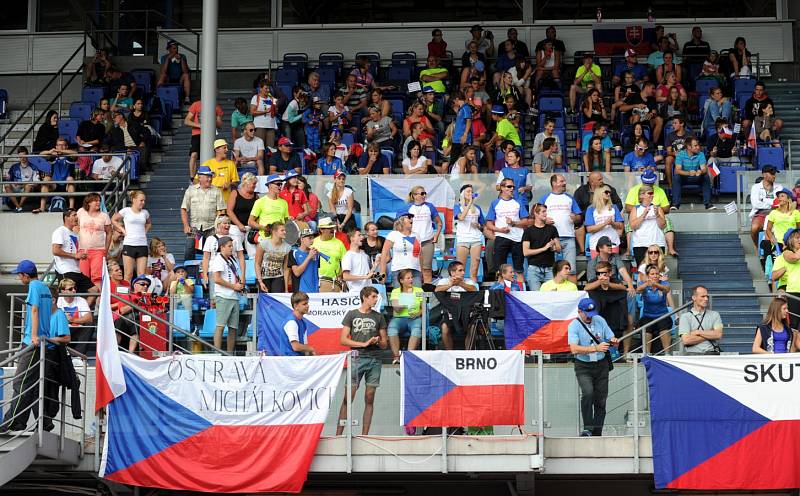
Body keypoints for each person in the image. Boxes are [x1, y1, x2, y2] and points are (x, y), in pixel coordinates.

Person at [2, 260, 52, 433]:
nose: (18, 277)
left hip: (32, 343)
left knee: (20, 382)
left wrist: (33, 336)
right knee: (32, 385)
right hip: (42, 342)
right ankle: (23, 423)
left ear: (25, 275)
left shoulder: (34, 286)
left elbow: (35, 310)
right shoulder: (45, 288)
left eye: (19, 274)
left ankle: (8, 422)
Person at [336, 286, 388, 436]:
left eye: (376, 296)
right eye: (373, 296)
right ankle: (338, 434)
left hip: (374, 359)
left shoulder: (379, 317)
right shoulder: (352, 314)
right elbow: (343, 339)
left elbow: (384, 343)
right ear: (364, 297)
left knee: (370, 396)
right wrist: (364, 344)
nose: (375, 299)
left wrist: (378, 340)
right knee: (348, 397)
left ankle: (365, 435)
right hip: (357, 358)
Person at [568, 297, 618, 437]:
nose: (590, 317)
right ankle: (587, 428)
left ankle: (597, 432)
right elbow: (573, 349)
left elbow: (610, 337)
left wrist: (613, 341)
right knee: (588, 393)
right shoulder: (574, 325)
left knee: (601, 400)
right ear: (579, 311)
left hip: (601, 364)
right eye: (587, 314)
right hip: (583, 365)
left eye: (592, 314)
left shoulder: (600, 320)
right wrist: (595, 348)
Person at [487, 177, 531, 285]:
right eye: (509, 186)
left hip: (517, 238)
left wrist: (514, 223)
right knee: (500, 270)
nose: (512, 189)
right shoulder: (495, 203)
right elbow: (488, 224)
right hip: (501, 237)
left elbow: (526, 221)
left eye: (513, 187)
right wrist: (500, 230)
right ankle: (500, 294)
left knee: (519, 269)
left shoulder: (518, 202)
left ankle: (521, 294)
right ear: (502, 188)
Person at [539, 174, 581, 282]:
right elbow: (536, 216)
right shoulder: (545, 198)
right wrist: (544, 219)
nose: (564, 183)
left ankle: (573, 294)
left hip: (569, 237)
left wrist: (576, 217)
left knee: (571, 270)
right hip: (551, 238)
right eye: (561, 181)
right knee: (551, 270)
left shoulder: (570, 198)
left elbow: (579, 217)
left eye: (564, 181)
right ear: (554, 183)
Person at [396, 186, 442, 285]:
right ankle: (412, 292)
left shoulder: (430, 206)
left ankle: (427, 293)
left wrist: (436, 235)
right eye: (420, 193)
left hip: (427, 242)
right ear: (414, 195)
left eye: (424, 193)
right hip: (412, 242)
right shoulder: (407, 207)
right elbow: (398, 223)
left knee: (427, 268)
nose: (423, 195)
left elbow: (439, 223)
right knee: (411, 269)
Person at [181, 165, 226, 262]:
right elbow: (184, 209)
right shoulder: (190, 191)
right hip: (194, 227)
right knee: (189, 249)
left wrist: (219, 225)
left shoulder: (216, 191)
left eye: (210, 176)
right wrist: (185, 225)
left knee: (214, 249)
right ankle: (188, 272)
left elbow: (222, 210)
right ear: (200, 177)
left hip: (212, 228)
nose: (210, 179)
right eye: (207, 176)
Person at [51, 209, 98, 301]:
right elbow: (55, 250)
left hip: (76, 270)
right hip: (65, 270)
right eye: (74, 215)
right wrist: (74, 255)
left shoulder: (75, 234)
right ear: (66, 217)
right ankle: (64, 314)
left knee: (95, 290)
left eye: (77, 215)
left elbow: (74, 252)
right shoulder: (60, 231)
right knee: (67, 298)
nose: (77, 217)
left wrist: (81, 256)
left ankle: (82, 311)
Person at [208, 237, 243, 353]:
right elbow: (216, 279)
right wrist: (234, 286)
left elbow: (234, 276)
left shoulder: (232, 259)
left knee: (233, 328)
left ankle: (229, 354)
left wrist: (239, 285)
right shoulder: (218, 260)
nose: (231, 248)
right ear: (221, 247)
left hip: (234, 296)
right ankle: (218, 353)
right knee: (220, 326)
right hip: (223, 296)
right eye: (229, 246)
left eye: (232, 246)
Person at [436, 261, 479, 351]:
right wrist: (449, 285)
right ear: (452, 273)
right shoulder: (444, 281)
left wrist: (460, 283)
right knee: (444, 328)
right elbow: (437, 290)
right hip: (450, 313)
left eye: (463, 270)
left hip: (467, 313)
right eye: (460, 270)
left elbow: (475, 290)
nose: (463, 272)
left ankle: (468, 354)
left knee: (473, 327)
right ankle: (450, 354)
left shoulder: (468, 281)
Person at [111, 190, 151, 282]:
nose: (143, 203)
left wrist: (144, 231)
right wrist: (122, 230)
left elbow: (149, 224)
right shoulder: (126, 211)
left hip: (142, 245)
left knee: (141, 275)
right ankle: (125, 296)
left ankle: (140, 295)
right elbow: (113, 219)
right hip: (129, 244)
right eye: (141, 200)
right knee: (128, 274)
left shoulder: (145, 212)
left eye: (144, 201)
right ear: (134, 200)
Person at [388, 269, 425, 363]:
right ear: (401, 280)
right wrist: (407, 298)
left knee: (417, 329)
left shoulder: (419, 290)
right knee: (392, 328)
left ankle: (408, 358)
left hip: (415, 318)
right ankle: (396, 357)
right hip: (399, 318)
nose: (411, 280)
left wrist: (417, 313)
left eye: (412, 277)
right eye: (408, 278)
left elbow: (424, 308)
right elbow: (397, 309)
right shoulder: (396, 291)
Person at [638, 264, 675, 354]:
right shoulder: (643, 284)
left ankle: (667, 354)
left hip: (662, 315)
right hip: (648, 315)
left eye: (657, 274)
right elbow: (638, 290)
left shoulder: (664, 283)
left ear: (659, 275)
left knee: (664, 326)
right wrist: (647, 283)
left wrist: (655, 284)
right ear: (648, 275)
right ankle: (647, 354)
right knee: (647, 327)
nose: (655, 276)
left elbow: (666, 289)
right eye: (652, 274)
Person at [522, 203, 561, 290]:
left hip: (550, 268)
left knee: (551, 297)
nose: (545, 214)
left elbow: (559, 248)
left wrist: (553, 248)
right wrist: (544, 248)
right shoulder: (528, 231)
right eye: (543, 212)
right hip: (534, 269)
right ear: (536, 213)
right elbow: (526, 252)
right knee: (536, 297)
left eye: (546, 211)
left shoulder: (552, 229)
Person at [76, 193, 112, 286]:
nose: (98, 202)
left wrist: (106, 249)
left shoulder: (104, 216)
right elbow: (75, 226)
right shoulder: (81, 212)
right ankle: (86, 300)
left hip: (98, 251)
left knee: (97, 277)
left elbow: (109, 232)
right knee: (84, 277)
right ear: (88, 202)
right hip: (83, 250)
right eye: (95, 200)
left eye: (99, 200)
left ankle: (97, 299)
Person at [379, 214, 422, 288]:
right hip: (399, 271)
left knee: (418, 297)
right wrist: (382, 272)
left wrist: (422, 271)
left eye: (411, 217)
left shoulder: (416, 235)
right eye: (408, 217)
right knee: (401, 298)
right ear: (401, 221)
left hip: (415, 271)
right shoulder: (393, 234)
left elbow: (420, 255)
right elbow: (384, 254)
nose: (411, 219)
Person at [679, 285, 724, 355]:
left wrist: (698, 332)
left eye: (707, 296)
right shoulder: (685, 317)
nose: (706, 299)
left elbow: (718, 334)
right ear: (694, 298)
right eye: (703, 296)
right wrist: (710, 335)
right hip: (692, 355)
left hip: (711, 354)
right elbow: (686, 340)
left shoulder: (715, 314)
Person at [184, 99, 223, 178]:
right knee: (194, 154)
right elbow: (186, 121)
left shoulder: (217, 107)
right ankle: (192, 178)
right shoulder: (196, 104)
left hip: (210, 134)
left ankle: (210, 176)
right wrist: (200, 125)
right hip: (197, 133)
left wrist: (212, 118)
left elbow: (219, 125)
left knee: (211, 156)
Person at [672, 136, 713, 210]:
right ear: (688, 147)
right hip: (684, 178)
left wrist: (700, 171)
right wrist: (689, 173)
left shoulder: (701, 154)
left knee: (705, 176)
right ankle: (675, 204)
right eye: (695, 146)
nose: (698, 147)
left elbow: (704, 169)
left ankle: (708, 204)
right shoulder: (680, 154)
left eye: (698, 145)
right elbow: (677, 170)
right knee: (676, 176)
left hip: (696, 177)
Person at [3, 147, 49, 213]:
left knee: (28, 185)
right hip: (16, 187)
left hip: (28, 188)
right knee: (7, 185)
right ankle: (18, 207)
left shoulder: (33, 167)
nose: (23, 158)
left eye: (24, 156)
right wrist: (13, 184)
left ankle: (20, 206)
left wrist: (24, 185)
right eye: (21, 156)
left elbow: (36, 182)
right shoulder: (14, 167)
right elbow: (9, 179)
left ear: (27, 155)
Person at [454, 184, 485, 282]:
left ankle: (473, 288)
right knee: (460, 268)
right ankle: (460, 289)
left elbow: (482, 225)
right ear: (462, 194)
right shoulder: (457, 207)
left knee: (475, 268)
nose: (471, 193)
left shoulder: (478, 208)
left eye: (472, 191)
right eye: (468, 191)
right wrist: (469, 204)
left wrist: (478, 226)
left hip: (476, 239)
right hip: (463, 239)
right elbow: (461, 217)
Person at [630, 184, 667, 263]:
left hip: (657, 243)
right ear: (642, 195)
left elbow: (663, 225)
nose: (652, 195)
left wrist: (657, 215)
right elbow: (633, 226)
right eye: (650, 193)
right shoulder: (636, 209)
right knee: (642, 271)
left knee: (658, 270)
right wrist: (643, 215)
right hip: (640, 244)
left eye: (653, 193)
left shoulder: (658, 208)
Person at [585, 186, 624, 257]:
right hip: (596, 244)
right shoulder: (591, 209)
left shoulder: (614, 207)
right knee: (598, 266)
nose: (609, 194)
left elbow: (620, 225)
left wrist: (612, 223)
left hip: (613, 242)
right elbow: (589, 229)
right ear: (599, 193)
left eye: (609, 192)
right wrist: (604, 223)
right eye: (606, 192)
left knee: (613, 266)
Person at [227, 172, 259, 258]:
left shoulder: (256, 196)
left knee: (254, 253)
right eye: (253, 184)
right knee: (235, 249)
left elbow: (258, 213)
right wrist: (239, 224)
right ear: (246, 183)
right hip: (236, 226)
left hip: (250, 228)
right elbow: (229, 211)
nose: (255, 186)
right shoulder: (235, 193)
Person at [749, 165, 782, 249]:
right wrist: (772, 203)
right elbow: (756, 204)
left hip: (775, 213)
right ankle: (757, 246)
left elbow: (779, 203)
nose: (774, 175)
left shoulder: (779, 187)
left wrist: (763, 200)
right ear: (764, 175)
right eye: (771, 173)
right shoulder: (755, 187)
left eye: (774, 173)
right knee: (754, 228)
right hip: (760, 213)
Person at [56, 278, 92, 354]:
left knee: (90, 325)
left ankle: (77, 356)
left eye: (75, 288)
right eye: (70, 289)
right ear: (63, 291)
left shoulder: (81, 300)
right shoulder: (58, 301)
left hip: (77, 329)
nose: (74, 290)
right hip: (63, 330)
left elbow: (89, 318)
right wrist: (63, 317)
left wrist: (71, 320)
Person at [248, 174, 289, 239]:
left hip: (280, 238)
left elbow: (287, 222)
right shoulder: (260, 201)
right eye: (278, 184)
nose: (280, 186)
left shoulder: (284, 202)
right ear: (270, 185)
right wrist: (264, 228)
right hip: (265, 237)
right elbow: (250, 222)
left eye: (281, 184)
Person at [313, 217, 347, 292]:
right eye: (329, 228)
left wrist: (340, 274)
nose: (333, 230)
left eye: (333, 228)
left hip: (334, 281)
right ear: (322, 230)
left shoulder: (339, 243)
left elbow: (345, 262)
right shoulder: (313, 242)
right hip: (316, 280)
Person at [255, 221, 291, 293]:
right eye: (282, 230)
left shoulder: (287, 247)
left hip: (278, 277)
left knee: (276, 301)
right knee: (266, 302)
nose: (285, 232)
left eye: (285, 230)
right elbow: (257, 264)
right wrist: (260, 281)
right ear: (274, 232)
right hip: (264, 277)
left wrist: (286, 289)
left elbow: (286, 268)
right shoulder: (263, 244)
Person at [280, 292, 315, 356]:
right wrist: (311, 349)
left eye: (307, 303)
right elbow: (296, 347)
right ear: (296, 306)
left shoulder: (303, 322)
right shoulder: (291, 322)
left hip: (298, 361)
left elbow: (304, 346)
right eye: (304, 304)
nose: (308, 306)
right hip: (289, 361)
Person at [341, 229, 374, 294]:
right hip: (356, 293)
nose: (362, 237)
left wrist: (376, 264)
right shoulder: (348, 256)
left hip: (368, 292)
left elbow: (368, 273)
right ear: (352, 238)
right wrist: (365, 277)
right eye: (359, 235)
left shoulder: (364, 255)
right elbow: (345, 276)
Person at [288, 228, 320, 293]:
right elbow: (297, 273)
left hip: (315, 291)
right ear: (302, 239)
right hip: (300, 292)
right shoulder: (293, 252)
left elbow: (315, 273)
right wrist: (309, 257)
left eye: (313, 238)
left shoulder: (316, 253)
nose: (312, 241)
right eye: (310, 238)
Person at [251, 80, 279, 148]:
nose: (268, 90)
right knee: (260, 148)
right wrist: (265, 111)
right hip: (260, 126)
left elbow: (276, 112)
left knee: (271, 148)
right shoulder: (256, 97)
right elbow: (252, 112)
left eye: (269, 88)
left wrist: (275, 107)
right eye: (266, 88)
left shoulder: (272, 99)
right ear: (261, 88)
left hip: (271, 126)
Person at [448, 92, 473, 165]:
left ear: (457, 99)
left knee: (463, 161)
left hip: (462, 139)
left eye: (453, 101)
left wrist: (465, 135)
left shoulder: (466, 108)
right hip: (457, 139)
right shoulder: (461, 109)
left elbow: (468, 120)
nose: (453, 103)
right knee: (454, 161)